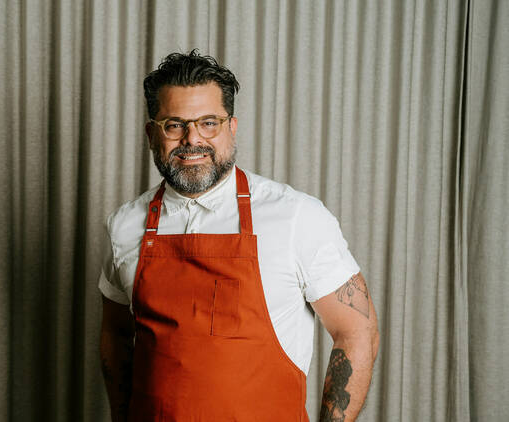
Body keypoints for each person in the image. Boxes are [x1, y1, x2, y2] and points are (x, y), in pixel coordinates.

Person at [98, 50, 379, 422]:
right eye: (174, 125)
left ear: (231, 127)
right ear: (152, 133)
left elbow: (357, 330)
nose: (192, 139)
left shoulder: (295, 216)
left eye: (209, 123)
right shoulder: (125, 225)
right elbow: (115, 336)